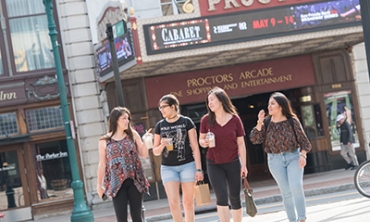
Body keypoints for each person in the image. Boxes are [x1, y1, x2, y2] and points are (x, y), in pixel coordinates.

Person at [250, 92, 311, 222]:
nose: (269, 106)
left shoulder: (292, 121)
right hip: (274, 160)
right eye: (269, 104)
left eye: (273, 103)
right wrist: (259, 122)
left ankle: (302, 218)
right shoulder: (266, 123)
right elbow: (255, 139)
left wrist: (303, 156)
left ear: (281, 106)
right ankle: (292, 220)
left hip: (293, 157)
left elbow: (304, 142)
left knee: (296, 187)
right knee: (286, 193)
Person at [199, 87, 247, 222]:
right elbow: (201, 140)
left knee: (235, 197)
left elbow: (241, 144)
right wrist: (204, 143)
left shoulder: (235, 120)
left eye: (212, 100)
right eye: (208, 101)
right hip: (213, 163)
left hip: (233, 162)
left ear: (221, 100)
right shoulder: (206, 120)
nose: (210, 103)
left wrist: (243, 165)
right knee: (221, 197)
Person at [153, 94, 203, 222]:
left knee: (188, 201)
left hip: (187, 165)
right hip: (168, 167)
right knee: (173, 203)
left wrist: (199, 169)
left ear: (173, 106)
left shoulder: (186, 121)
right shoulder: (160, 125)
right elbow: (155, 151)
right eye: (160, 108)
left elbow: (195, 147)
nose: (161, 110)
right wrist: (162, 145)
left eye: (163, 107)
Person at [96, 106, 149, 222]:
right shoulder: (104, 141)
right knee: (121, 219)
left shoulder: (132, 135)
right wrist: (99, 185)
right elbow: (102, 164)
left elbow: (144, 154)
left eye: (128, 118)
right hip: (116, 183)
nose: (127, 121)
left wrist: (145, 141)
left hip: (135, 180)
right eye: (124, 118)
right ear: (116, 120)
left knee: (137, 218)